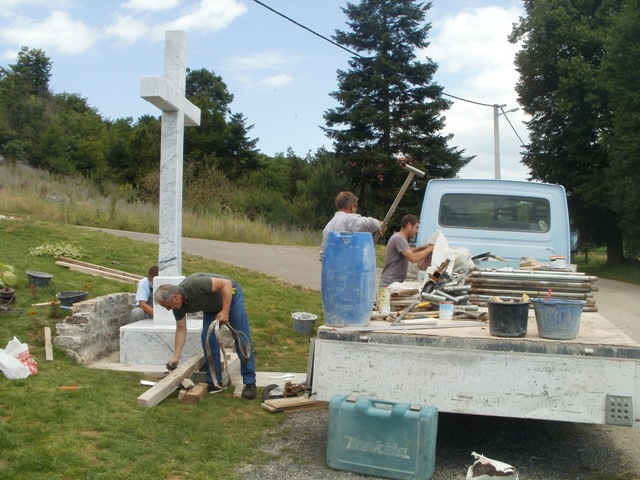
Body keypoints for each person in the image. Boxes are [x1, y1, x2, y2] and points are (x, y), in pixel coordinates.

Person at [154, 273, 257, 400]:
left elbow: (226, 284)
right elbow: (181, 330)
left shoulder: (194, 285)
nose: (169, 310)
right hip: (211, 309)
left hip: (231, 297)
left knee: (241, 339)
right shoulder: (178, 308)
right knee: (207, 340)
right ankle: (214, 381)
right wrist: (176, 357)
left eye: (168, 306)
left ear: (176, 297)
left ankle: (250, 382)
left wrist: (225, 311)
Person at [320, 191, 384, 261]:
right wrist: (379, 224)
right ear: (353, 207)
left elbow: (323, 254)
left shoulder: (328, 226)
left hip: (330, 268)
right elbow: (365, 224)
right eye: (356, 207)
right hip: (347, 268)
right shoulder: (348, 219)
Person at [379, 214, 434, 287]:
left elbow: (407, 251)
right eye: (416, 227)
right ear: (409, 225)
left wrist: (422, 248)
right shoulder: (399, 238)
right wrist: (430, 249)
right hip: (389, 283)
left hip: (393, 282)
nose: (417, 231)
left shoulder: (401, 238)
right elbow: (413, 258)